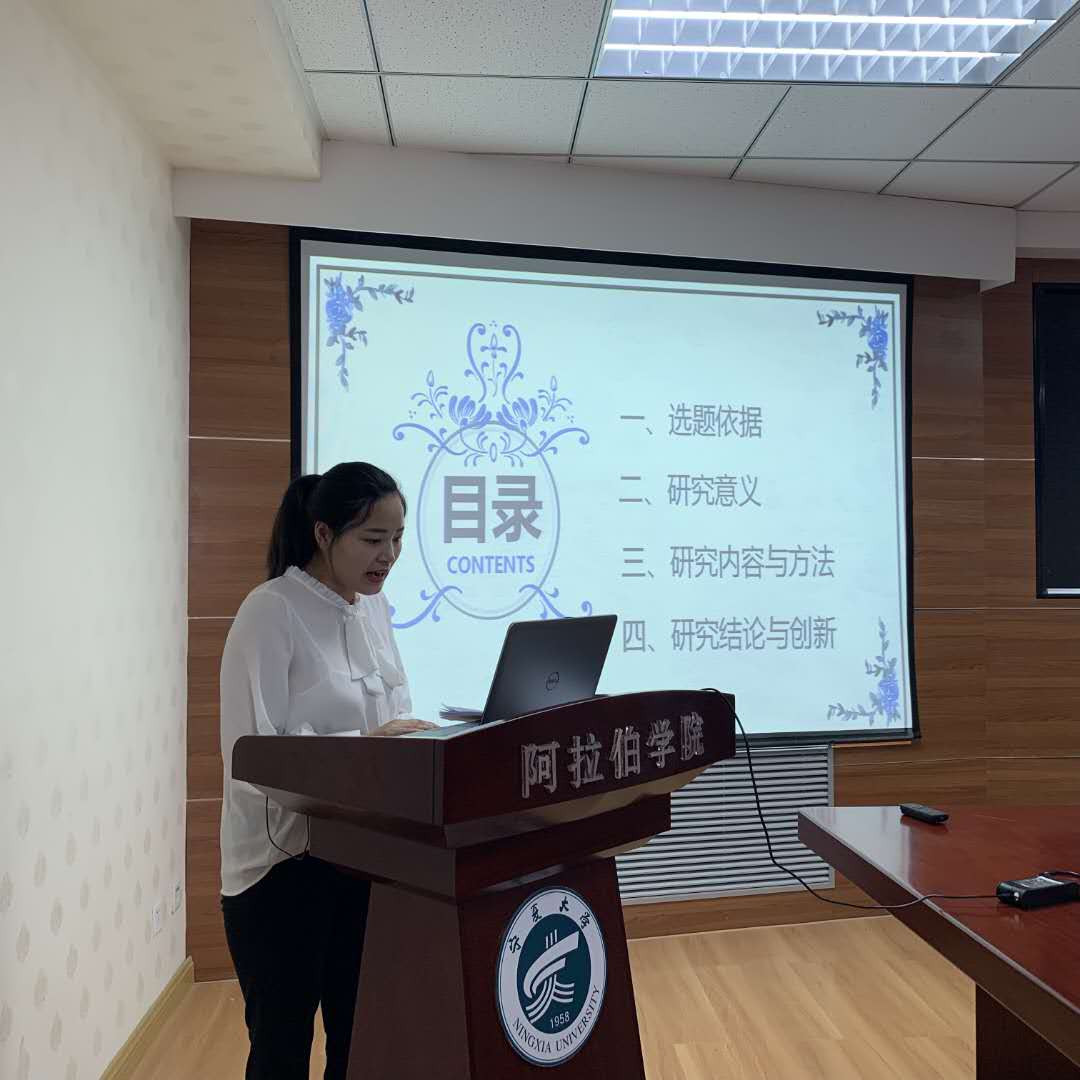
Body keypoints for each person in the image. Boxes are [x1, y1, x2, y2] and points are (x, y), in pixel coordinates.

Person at [218, 461, 436, 1080]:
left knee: (360, 1037)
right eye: (372, 539)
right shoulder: (270, 611)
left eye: (398, 539)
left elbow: (390, 717)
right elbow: (255, 755)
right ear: (322, 533)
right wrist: (367, 744)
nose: (388, 556)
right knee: (282, 1049)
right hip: (282, 869)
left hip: (364, 856)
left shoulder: (374, 607)